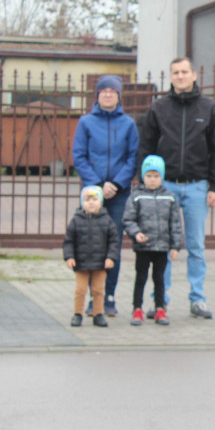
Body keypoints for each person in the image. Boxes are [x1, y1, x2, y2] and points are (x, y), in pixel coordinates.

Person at [137, 57, 215, 320]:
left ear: (194, 75)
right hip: (164, 188)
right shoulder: (159, 108)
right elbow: (146, 147)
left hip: (198, 186)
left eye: (184, 72)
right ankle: (160, 300)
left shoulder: (209, 108)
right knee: (161, 246)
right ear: (171, 77)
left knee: (196, 246)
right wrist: (144, 182)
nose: (180, 76)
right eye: (175, 72)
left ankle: (198, 299)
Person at [71, 74, 139, 316]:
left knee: (113, 244)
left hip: (119, 194)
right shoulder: (86, 122)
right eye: (104, 90)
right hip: (93, 193)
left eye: (113, 90)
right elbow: (79, 156)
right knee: (91, 244)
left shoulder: (128, 124)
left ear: (119, 95)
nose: (108, 94)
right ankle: (93, 298)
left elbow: (133, 158)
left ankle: (109, 297)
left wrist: (117, 184)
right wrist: (99, 185)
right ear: (97, 94)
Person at [123, 155, 184, 327]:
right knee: (140, 278)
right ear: (143, 176)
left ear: (162, 177)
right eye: (148, 176)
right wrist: (136, 234)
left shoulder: (170, 198)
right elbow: (128, 219)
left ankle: (160, 309)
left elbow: (175, 224)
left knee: (159, 279)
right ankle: (137, 309)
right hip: (143, 247)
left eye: (156, 176)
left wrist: (175, 246)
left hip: (162, 247)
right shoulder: (136, 196)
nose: (152, 180)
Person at [64, 186, 120, 328]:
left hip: (100, 264)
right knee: (80, 290)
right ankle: (77, 314)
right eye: (87, 199)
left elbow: (114, 241)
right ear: (82, 203)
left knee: (98, 290)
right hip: (81, 263)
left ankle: (98, 314)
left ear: (101, 202)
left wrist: (111, 258)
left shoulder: (107, 221)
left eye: (95, 199)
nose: (91, 202)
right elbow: (68, 241)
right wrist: (69, 257)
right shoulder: (76, 220)